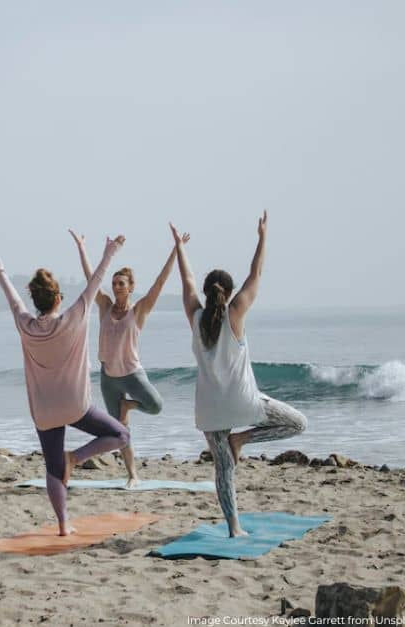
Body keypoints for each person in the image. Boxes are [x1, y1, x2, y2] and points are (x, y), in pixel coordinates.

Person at [170, 212, 306, 537]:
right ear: (229, 292)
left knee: (223, 468)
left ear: (206, 293)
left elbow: (186, 283)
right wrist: (262, 237)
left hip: (209, 409)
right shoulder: (237, 312)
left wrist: (179, 248)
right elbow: (256, 273)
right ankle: (243, 438)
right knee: (298, 423)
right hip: (244, 403)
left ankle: (234, 527)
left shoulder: (195, 316)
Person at [0, 235, 131, 536]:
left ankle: (64, 525)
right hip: (76, 405)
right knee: (121, 434)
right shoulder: (73, 318)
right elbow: (96, 283)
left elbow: (12, 298)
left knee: (52, 468)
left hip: (44, 411)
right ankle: (75, 458)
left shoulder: (25, 324)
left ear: (36, 302)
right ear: (58, 298)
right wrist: (110, 252)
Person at [70, 229, 190, 488]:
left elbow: (160, 282)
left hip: (133, 374)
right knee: (120, 433)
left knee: (156, 405)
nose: (115, 287)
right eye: (114, 283)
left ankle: (130, 406)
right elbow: (92, 278)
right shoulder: (103, 305)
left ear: (131, 287)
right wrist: (82, 247)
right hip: (109, 378)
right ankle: (132, 474)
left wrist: (176, 249)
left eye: (121, 283)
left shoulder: (139, 311)